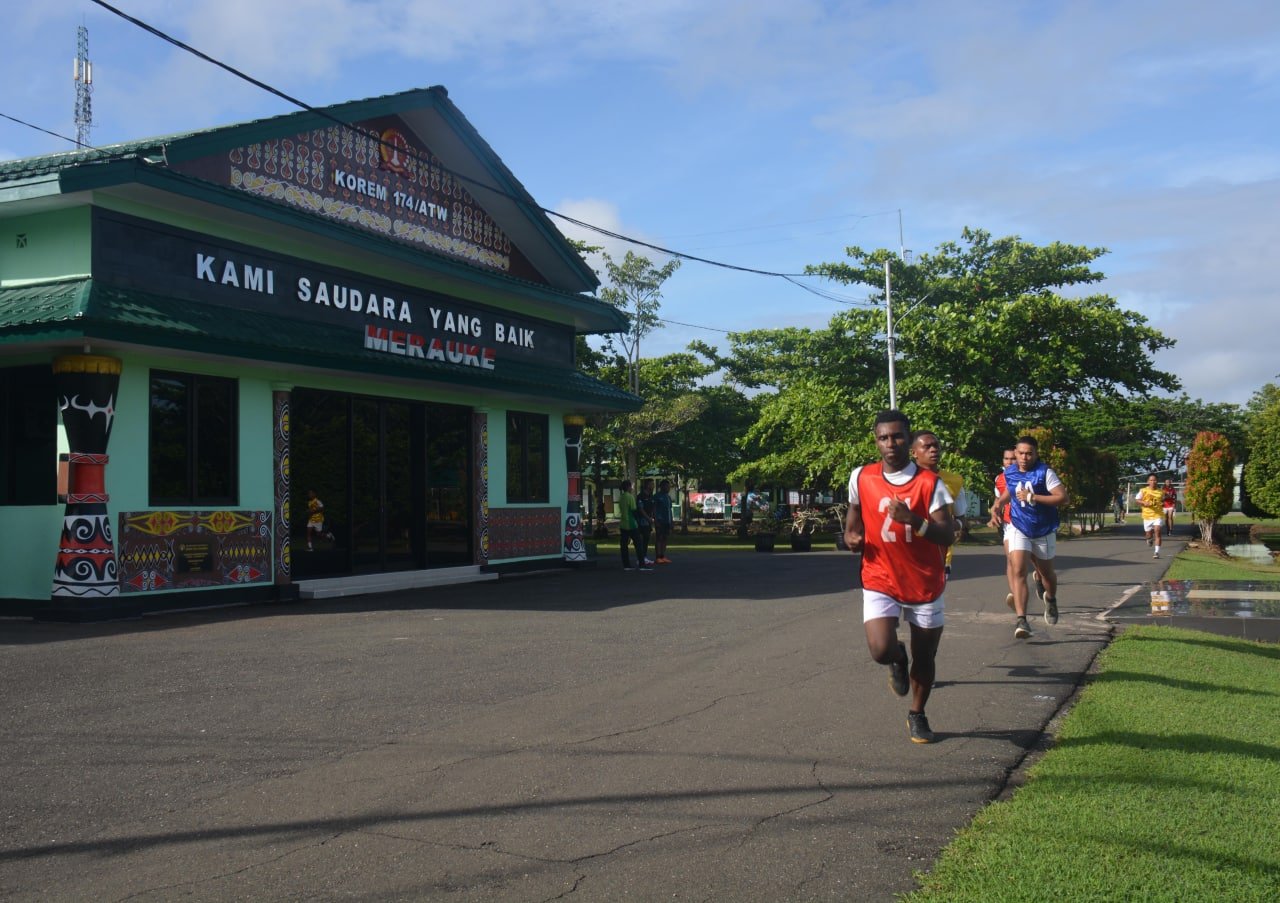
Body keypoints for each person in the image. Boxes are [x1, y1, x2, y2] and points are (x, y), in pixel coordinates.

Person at [844, 410, 956, 744]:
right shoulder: (861, 477)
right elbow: (853, 518)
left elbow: (946, 534)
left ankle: (917, 713)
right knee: (880, 649)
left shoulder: (929, 483)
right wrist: (851, 537)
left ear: (908, 439)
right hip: (879, 576)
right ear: (876, 441)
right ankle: (896, 656)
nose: (890, 443)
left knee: (925, 658)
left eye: (897, 437)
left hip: (924, 582)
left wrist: (913, 520)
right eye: (883, 437)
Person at [989, 436, 1068, 638]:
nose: (1024, 457)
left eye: (1029, 453)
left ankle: (1050, 598)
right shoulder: (1010, 472)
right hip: (1018, 525)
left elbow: (1062, 497)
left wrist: (1034, 497)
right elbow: (1011, 492)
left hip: (1043, 528)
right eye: (1021, 453)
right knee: (1018, 568)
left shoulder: (1044, 472)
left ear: (1036, 454)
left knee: (1047, 573)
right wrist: (998, 504)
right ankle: (1022, 620)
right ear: (1015, 453)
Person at [910, 431, 966, 577]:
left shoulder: (954, 481)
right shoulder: (903, 479)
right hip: (907, 551)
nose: (933, 450)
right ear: (914, 452)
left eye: (936, 446)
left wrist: (950, 525)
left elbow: (961, 517)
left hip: (940, 554)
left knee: (931, 598)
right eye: (927, 447)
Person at [617, 480, 651, 571]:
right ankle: (642, 564)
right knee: (638, 544)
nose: (632, 488)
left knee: (624, 545)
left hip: (623, 523)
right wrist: (638, 522)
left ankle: (626, 565)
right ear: (628, 487)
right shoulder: (630, 497)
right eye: (631, 486)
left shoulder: (621, 497)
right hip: (631, 523)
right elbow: (633, 510)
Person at [1136, 474, 1165, 559]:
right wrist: (1144, 503)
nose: (1153, 482)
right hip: (1147, 516)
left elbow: (1163, 499)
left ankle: (1156, 552)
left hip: (1158, 515)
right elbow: (1137, 500)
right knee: (1148, 534)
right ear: (1148, 481)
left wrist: (1163, 503)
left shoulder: (1161, 492)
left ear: (1157, 481)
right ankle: (1149, 539)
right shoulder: (1143, 490)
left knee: (1157, 531)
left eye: (1154, 480)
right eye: (1151, 480)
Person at [653, 479, 674, 563]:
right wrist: (656, 520)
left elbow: (670, 510)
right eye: (667, 486)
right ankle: (658, 556)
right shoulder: (657, 496)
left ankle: (663, 555)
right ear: (662, 486)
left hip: (667, 521)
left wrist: (671, 521)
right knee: (659, 538)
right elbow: (654, 509)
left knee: (665, 538)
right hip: (660, 520)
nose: (668, 488)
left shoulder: (668, 497)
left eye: (669, 487)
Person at [637, 479, 656, 566]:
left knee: (646, 539)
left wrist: (651, 517)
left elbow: (652, 508)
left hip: (648, 521)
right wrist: (648, 518)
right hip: (642, 521)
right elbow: (641, 509)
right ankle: (640, 559)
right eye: (652, 484)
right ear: (647, 485)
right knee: (642, 539)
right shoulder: (641, 496)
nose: (653, 486)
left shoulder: (651, 496)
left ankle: (644, 557)